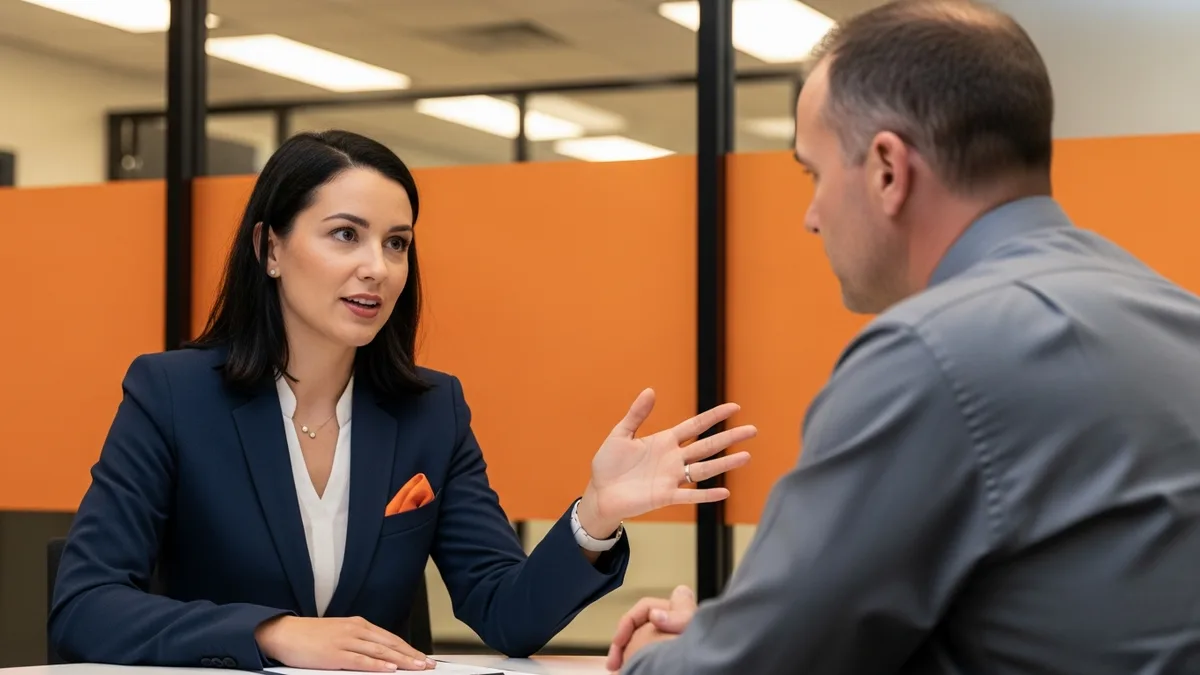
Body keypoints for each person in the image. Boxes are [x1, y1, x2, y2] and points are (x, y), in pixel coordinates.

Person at [606, 1, 1200, 673]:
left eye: (814, 173)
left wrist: (661, 657)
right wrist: (735, 629)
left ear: (888, 170)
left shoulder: (935, 356)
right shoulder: (1176, 315)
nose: (810, 216)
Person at [47, 130, 756, 672]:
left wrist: (594, 516)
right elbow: (83, 605)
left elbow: (505, 611)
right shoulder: (172, 395)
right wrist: (273, 633)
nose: (376, 268)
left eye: (396, 243)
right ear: (269, 247)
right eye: (345, 235)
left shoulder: (431, 411)